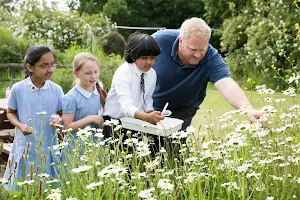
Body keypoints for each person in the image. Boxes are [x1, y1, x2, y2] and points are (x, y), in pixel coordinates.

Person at [152, 17, 264, 130]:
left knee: (170, 145)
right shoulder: (159, 41)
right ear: (181, 41)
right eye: (193, 49)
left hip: (183, 108)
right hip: (148, 104)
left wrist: (248, 109)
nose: (198, 55)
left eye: (202, 49)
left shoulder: (211, 58)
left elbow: (226, 84)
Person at [2, 45, 64, 191]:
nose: (50, 69)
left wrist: (59, 120)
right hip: (25, 145)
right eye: (44, 66)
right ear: (30, 67)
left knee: (49, 188)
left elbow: (62, 114)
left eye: (52, 64)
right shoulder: (18, 89)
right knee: (23, 188)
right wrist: (20, 125)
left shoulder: (57, 90)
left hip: (49, 144)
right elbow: (10, 112)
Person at [103, 33, 164, 153]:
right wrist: (146, 117)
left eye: (152, 58)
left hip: (135, 121)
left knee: (135, 160)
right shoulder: (124, 72)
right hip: (114, 122)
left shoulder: (151, 74)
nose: (149, 62)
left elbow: (146, 98)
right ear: (134, 56)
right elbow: (126, 105)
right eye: (144, 58)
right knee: (117, 160)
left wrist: (151, 112)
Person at [62, 52, 105, 135]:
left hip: (98, 144)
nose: (93, 76)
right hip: (78, 146)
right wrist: (90, 119)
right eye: (88, 73)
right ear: (76, 74)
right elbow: (66, 127)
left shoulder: (99, 90)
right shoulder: (71, 97)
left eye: (95, 72)